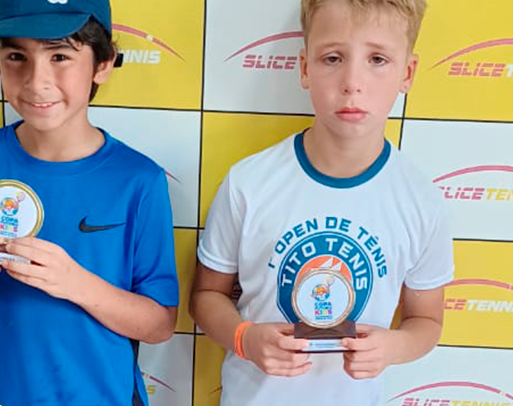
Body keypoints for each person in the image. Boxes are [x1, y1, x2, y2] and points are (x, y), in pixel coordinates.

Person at [190, 0, 454, 404]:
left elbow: (427, 320)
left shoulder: (422, 201)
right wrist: (244, 338)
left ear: (407, 73)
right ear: (305, 68)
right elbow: (206, 296)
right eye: (333, 58)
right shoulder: (249, 182)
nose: (352, 82)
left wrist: (394, 347)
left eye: (377, 59)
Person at [0, 0, 178, 404]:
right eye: (16, 57)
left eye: (59, 56)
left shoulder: (138, 179)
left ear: (102, 64)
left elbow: (160, 324)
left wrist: (75, 282)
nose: (36, 81)